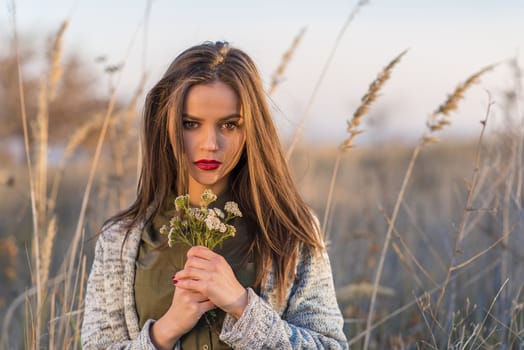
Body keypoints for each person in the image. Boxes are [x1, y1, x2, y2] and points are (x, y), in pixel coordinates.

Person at [81, 41, 348, 349]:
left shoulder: (290, 229)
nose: (210, 143)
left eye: (230, 125)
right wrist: (163, 333)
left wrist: (242, 308)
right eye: (190, 124)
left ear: (252, 130)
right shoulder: (120, 241)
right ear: (166, 125)